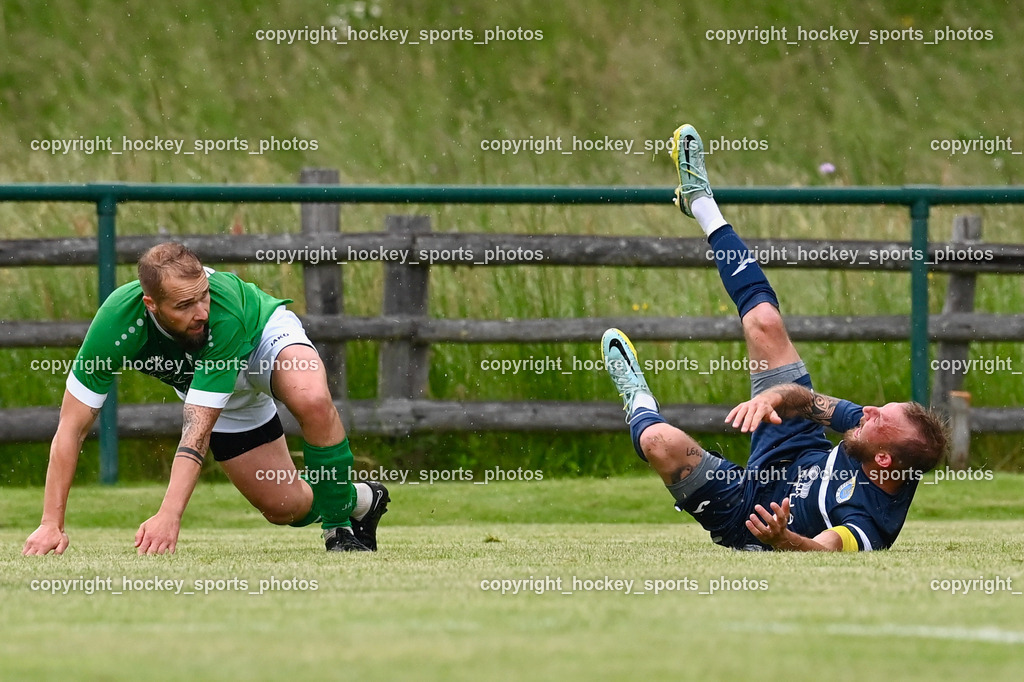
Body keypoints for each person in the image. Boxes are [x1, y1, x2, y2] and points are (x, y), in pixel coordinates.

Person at [602, 125, 948, 551]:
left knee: (660, 442)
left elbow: (823, 550)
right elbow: (806, 403)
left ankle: (638, 402)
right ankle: (701, 201)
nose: (868, 410)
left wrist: (784, 538)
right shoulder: (868, 431)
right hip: (796, 443)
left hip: (746, 511)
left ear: (883, 460)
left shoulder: (872, 521)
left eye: (878, 417)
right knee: (765, 320)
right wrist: (771, 400)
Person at [22, 243, 388, 555]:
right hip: (212, 384)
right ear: (151, 304)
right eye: (184, 306)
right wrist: (51, 523)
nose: (201, 313)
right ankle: (360, 500)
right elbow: (71, 428)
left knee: (311, 399)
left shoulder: (222, 314)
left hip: (261, 341)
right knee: (285, 509)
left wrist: (170, 514)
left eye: (203, 295)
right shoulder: (117, 326)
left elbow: (195, 436)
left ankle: (338, 529)